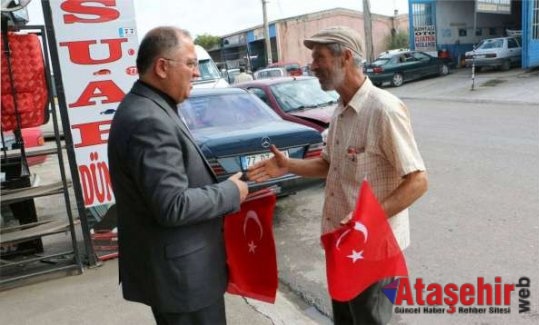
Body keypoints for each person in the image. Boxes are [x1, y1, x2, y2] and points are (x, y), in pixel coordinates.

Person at [247, 26, 428, 325]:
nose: (312, 65)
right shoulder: (340, 109)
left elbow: (418, 180)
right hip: (341, 244)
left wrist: (366, 220)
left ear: (345, 57)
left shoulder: (383, 109)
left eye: (319, 57)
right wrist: (288, 165)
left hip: (374, 251)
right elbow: (328, 165)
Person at [108, 26, 248, 325]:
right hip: (183, 280)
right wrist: (231, 192)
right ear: (161, 67)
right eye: (190, 63)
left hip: (181, 273)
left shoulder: (152, 106)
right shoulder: (148, 119)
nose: (196, 73)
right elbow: (172, 205)